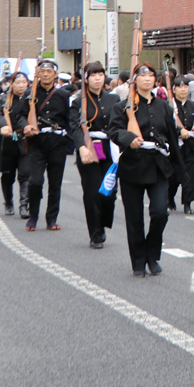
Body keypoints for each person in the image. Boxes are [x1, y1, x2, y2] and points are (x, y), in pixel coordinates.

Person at [109, 63, 185, 277]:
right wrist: (128, 138)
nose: (148, 79)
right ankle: (139, 261)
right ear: (134, 80)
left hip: (158, 164)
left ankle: (153, 253)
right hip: (132, 165)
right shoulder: (123, 106)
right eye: (143, 76)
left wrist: (180, 167)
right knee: (134, 217)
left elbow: (171, 136)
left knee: (160, 212)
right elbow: (113, 131)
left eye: (152, 75)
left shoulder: (163, 106)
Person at [70, 62, 120, 248]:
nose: (97, 78)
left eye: (100, 74)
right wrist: (81, 147)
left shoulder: (113, 99)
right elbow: (74, 126)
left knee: (109, 191)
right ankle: (96, 233)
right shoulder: (78, 101)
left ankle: (103, 222)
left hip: (109, 148)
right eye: (93, 75)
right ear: (86, 78)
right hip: (89, 147)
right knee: (92, 193)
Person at [24, 59, 73, 231]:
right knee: (35, 182)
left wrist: (71, 144)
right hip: (37, 142)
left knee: (55, 183)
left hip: (57, 142)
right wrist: (25, 126)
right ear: (37, 74)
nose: (45, 74)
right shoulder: (30, 94)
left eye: (49, 72)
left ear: (55, 75)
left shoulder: (64, 95)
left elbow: (70, 120)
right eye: (42, 71)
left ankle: (51, 218)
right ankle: (33, 216)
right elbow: (20, 115)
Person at [0, 72, 31, 217]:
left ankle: (24, 205)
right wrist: (3, 125)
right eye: (18, 82)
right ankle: (8, 202)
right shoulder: (4, 99)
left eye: (23, 82)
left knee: (25, 174)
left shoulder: (31, 99)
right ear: (12, 84)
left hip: (25, 139)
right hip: (8, 139)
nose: (21, 85)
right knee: (8, 174)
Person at [168, 76, 194, 215]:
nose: (183, 89)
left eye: (185, 86)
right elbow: (165, 125)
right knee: (173, 176)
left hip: (191, 145)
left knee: (189, 176)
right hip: (175, 146)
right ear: (174, 89)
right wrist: (179, 130)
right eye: (180, 86)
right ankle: (170, 197)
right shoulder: (169, 106)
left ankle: (187, 204)